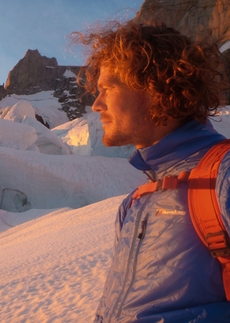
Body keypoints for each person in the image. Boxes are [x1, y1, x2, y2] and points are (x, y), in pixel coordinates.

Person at [75, 21, 230, 322]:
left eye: (108, 88)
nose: (96, 104)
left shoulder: (222, 173)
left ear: (156, 86)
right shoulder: (135, 202)